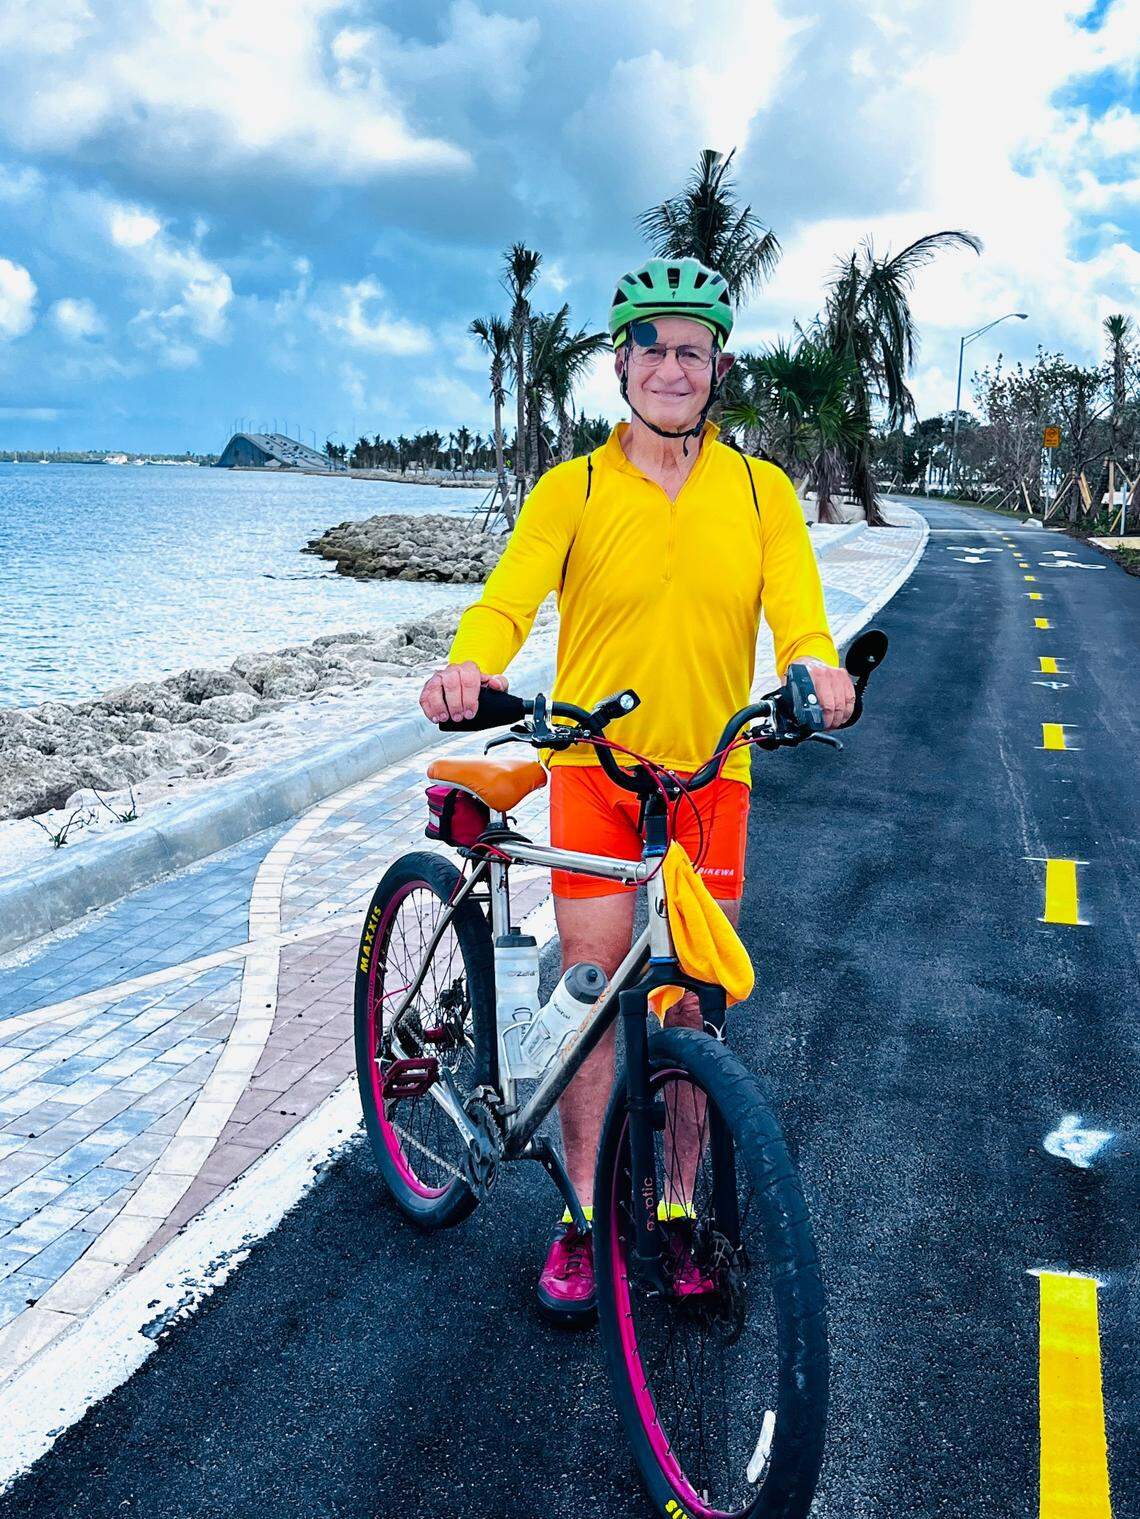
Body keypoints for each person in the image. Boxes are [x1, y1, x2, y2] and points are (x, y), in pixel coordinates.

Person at [419, 256, 854, 1323]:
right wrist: (468, 663)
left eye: (690, 349)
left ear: (719, 367)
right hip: (596, 776)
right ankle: (580, 1218)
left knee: (692, 1013)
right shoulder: (571, 489)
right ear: (622, 363)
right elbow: (506, 602)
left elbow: (799, 615)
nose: (671, 365)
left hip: (710, 780)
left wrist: (820, 670)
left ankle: (670, 1208)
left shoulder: (762, 494)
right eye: (652, 346)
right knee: (589, 1004)